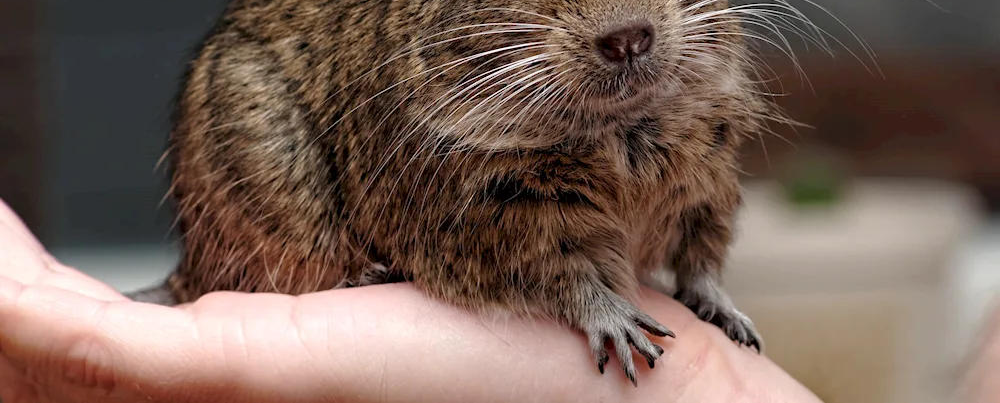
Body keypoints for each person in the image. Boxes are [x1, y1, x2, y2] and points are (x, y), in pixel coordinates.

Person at [0, 200, 823, 403]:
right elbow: (486, 234)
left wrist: (700, 294)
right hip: (312, 228)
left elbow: (702, 189)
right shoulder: (463, 101)